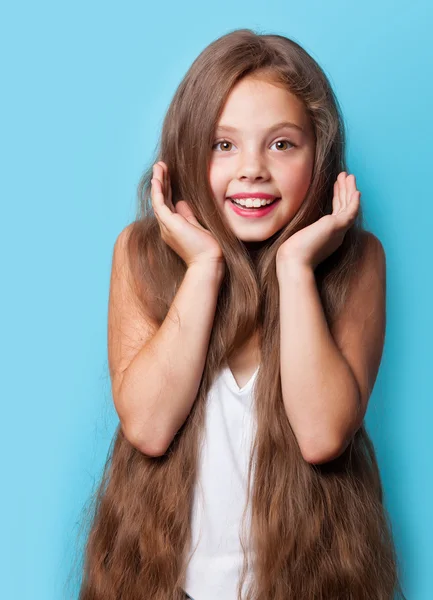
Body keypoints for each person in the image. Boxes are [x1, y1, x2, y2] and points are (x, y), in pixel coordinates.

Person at [78, 28, 406, 600]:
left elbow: (323, 434)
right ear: (185, 152)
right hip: (159, 585)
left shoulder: (359, 262)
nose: (252, 169)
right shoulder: (138, 254)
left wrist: (297, 267)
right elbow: (149, 428)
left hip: (309, 585)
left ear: (321, 156)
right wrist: (204, 265)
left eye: (281, 144)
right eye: (222, 145)